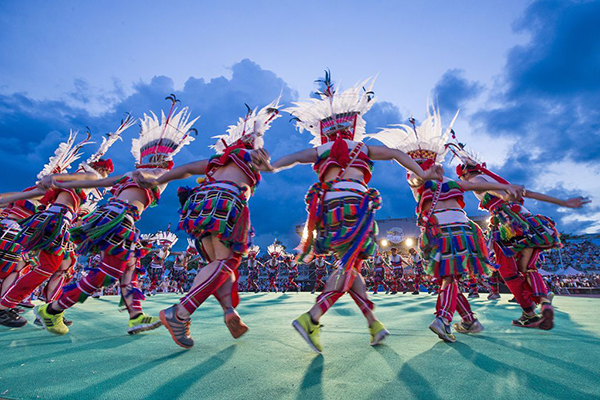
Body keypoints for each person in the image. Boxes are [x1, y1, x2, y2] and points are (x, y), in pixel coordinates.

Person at [255, 72, 443, 353]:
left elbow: (291, 159)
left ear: (325, 130)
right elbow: (395, 154)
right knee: (350, 266)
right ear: (353, 127)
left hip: (330, 210)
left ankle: (373, 323)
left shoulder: (321, 148)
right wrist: (422, 172)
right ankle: (313, 317)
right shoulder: (363, 147)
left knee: (352, 266)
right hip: (356, 206)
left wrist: (269, 167)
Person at [33, 99, 199, 335]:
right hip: (116, 221)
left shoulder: (156, 174)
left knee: (129, 268)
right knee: (107, 273)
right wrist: (57, 180)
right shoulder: (144, 174)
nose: (155, 161)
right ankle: (52, 311)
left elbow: (107, 181)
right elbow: (97, 181)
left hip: (116, 221)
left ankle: (136, 316)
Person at [370, 103, 522, 342]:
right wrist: (504, 186)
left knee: (448, 278)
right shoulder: (422, 178)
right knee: (448, 278)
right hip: (459, 230)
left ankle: (446, 318)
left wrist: (503, 187)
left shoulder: (428, 180)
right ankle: (464, 319)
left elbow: (475, 185)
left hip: (445, 230)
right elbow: (473, 185)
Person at [136, 99, 280, 348]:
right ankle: (179, 312)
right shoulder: (246, 154)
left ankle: (228, 311)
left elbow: (187, 169)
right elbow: (268, 167)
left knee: (218, 265)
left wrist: (155, 181)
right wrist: (267, 162)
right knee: (227, 263)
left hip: (199, 204)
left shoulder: (217, 161)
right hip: (225, 202)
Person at [448, 139, 589, 329]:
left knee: (508, 272)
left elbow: (498, 194)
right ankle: (544, 302)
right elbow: (527, 193)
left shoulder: (477, 181)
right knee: (527, 268)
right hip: (528, 220)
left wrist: (503, 196)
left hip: (509, 225)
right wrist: (563, 203)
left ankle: (529, 313)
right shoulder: (495, 179)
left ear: (465, 172)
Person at [0, 130, 117, 328]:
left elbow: (28, 194)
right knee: (45, 267)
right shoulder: (86, 176)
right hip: (56, 220)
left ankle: (45, 309)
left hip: (55, 221)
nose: (105, 175)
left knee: (59, 267)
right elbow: (96, 179)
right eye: (105, 171)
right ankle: (8, 307)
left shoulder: (76, 184)